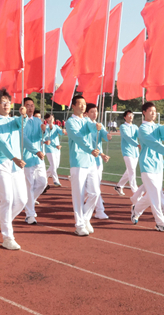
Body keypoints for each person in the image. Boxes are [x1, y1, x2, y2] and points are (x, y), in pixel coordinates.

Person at [0, 89, 27, 250]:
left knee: (22, 200)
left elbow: (22, 124)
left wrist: (23, 115)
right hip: (0, 164)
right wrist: (14, 157)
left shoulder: (14, 120)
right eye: (3, 102)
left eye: (8, 102)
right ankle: (8, 237)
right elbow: (0, 142)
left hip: (16, 165)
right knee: (7, 199)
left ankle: (4, 220)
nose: (6, 105)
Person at [130, 102, 164, 232]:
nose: (153, 113)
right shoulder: (143, 129)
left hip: (158, 165)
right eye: (150, 111)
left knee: (153, 194)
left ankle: (136, 209)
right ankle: (160, 223)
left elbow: (163, 131)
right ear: (144, 112)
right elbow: (154, 144)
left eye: (154, 111)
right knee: (155, 196)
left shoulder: (156, 126)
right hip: (147, 165)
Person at [65, 95, 101, 236]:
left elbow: (91, 126)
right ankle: (79, 225)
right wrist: (90, 149)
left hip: (90, 161)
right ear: (73, 106)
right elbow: (78, 138)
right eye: (79, 104)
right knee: (78, 195)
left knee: (95, 193)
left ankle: (85, 219)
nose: (82, 106)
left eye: (84, 104)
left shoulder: (86, 120)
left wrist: (96, 126)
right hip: (78, 161)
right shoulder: (70, 122)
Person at [21, 98, 48, 225]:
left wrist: (44, 131)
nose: (30, 108)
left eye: (32, 105)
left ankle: (28, 202)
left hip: (38, 158)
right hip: (26, 158)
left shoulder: (38, 121)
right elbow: (24, 139)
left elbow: (43, 138)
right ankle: (30, 214)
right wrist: (35, 151)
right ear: (23, 107)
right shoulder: (21, 121)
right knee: (29, 186)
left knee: (42, 183)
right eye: (28, 105)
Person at [85, 103, 111, 220]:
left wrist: (108, 136)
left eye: (96, 111)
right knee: (94, 187)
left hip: (98, 160)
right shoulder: (85, 125)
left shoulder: (99, 125)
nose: (95, 114)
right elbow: (87, 144)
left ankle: (85, 207)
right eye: (92, 111)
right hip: (87, 160)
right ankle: (100, 210)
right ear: (86, 113)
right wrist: (101, 154)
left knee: (94, 186)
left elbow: (104, 135)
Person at [115, 110, 139, 196]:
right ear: (125, 117)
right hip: (127, 151)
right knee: (132, 171)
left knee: (129, 171)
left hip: (135, 152)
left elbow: (140, 135)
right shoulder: (123, 127)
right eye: (129, 115)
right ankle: (136, 192)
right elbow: (127, 137)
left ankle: (119, 186)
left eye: (132, 115)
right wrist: (137, 144)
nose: (131, 116)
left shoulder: (135, 127)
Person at [42, 113, 64, 187]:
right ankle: (56, 181)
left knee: (55, 166)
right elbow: (44, 136)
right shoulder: (45, 127)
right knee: (53, 165)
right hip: (49, 149)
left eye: (53, 118)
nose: (52, 119)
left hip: (57, 148)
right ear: (47, 119)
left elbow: (61, 133)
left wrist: (63, 131)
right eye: (50, 118)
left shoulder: (56, 127)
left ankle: (44, 177)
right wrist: (49, 127)